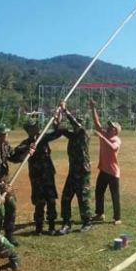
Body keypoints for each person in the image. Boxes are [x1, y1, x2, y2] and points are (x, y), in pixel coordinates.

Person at [0, 123, 34, 246]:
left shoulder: (5, 145)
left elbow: (14, 157)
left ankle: (9, 235)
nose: (7, 135)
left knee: (11, 206)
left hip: (5, 184)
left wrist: (27, 152)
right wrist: (0, 186)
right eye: (4, 133)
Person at [15, 115, 62, 235]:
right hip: (36, 177)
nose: (35, 129)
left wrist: (57, 123)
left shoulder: (43, 138)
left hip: (48, 175)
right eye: (32, 128)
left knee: (51, 200)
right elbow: (16, 152)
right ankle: (39, 227)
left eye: (36, 127)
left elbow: (57, 134)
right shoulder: (26, 143)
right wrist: (28, 147)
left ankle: (51, 226)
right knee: (39, 202)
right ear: (28, 130)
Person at [54, 100, 93, 235]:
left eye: (80, 122)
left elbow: (76, 125)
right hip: (73, 172)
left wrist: (65, 110)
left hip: (83, 172)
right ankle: (66, 223)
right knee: (66, 197)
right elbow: (59, 129)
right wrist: (57, 116)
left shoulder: (84, 134)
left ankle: (87, 222)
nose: (78, 124)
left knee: (83, 198)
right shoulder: (73, 136)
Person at [88, 99, 123, 225]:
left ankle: (117, 218)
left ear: (116, 130)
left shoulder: (116, 140)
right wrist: (93, 108)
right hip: (103, 170)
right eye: (109, 126)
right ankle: (100, 214)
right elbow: (97, 123)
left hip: (113, 173)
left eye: (111, 126)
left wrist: (102, 137)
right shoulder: (105, 134)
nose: (108, 127)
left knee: (115, 195)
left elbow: (113, 148)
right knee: (99, 192)